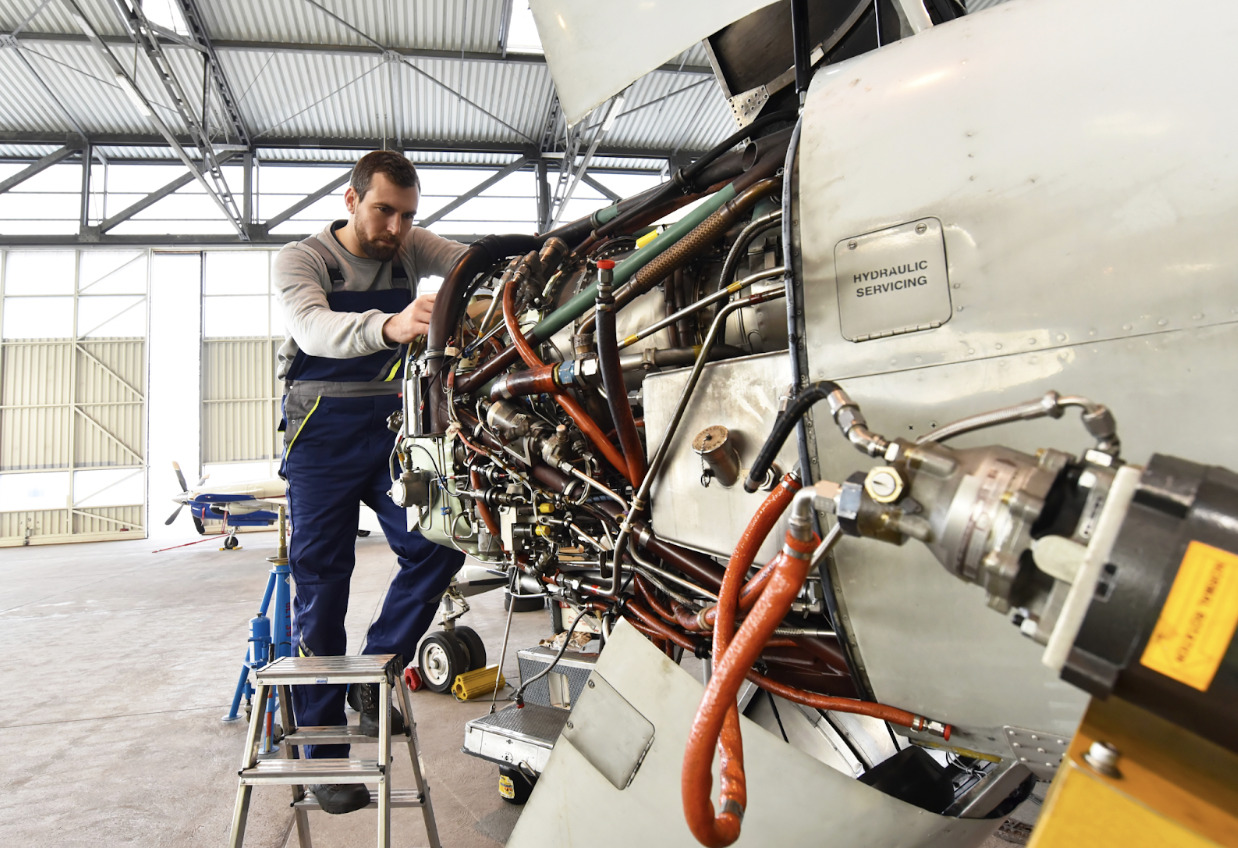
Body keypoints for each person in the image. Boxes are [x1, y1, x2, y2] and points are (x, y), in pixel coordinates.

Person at [274, 150, 467, 815]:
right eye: (384, 210)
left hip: (391, 433)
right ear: (351, 200)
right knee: (322, 587)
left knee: (440, 544)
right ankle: (322, 754)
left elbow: (471, 264)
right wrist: (392, 323)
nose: (396, 227)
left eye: (409, 215)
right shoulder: (303, 260)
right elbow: (314, 328)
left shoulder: (411, 246)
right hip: (320, 438)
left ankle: (376, 674)